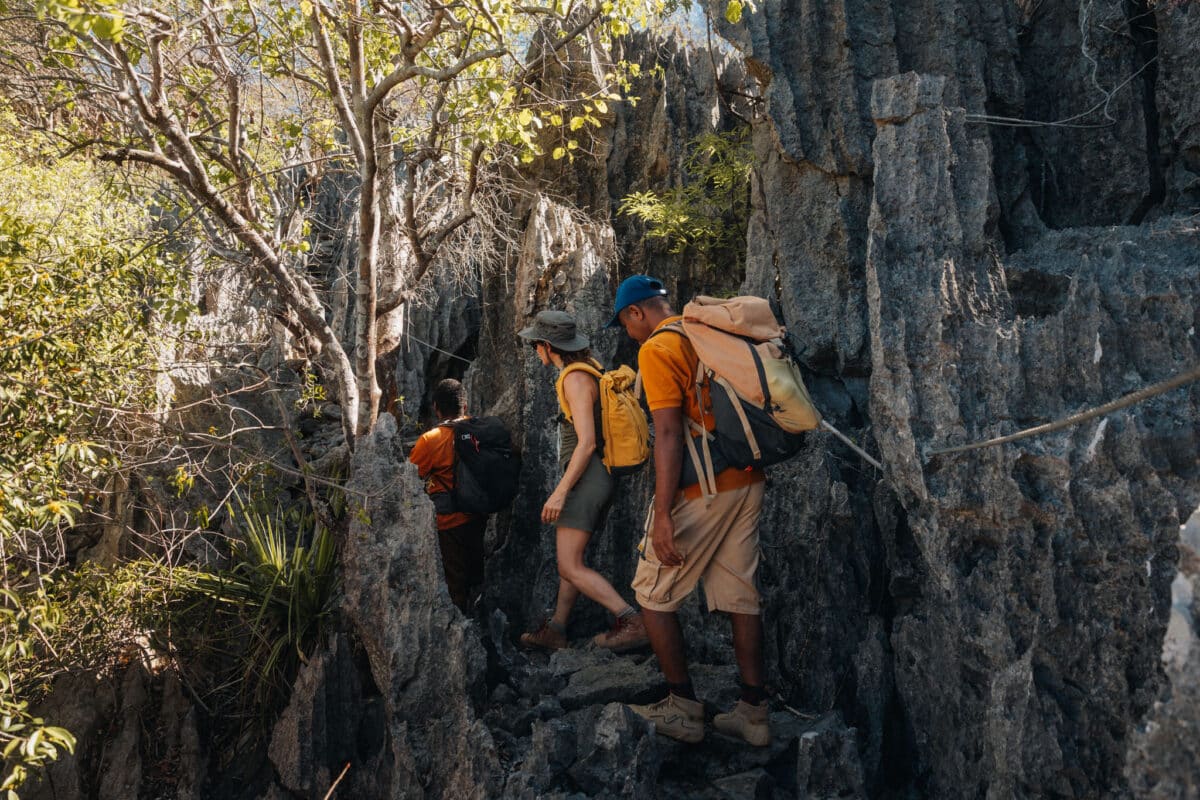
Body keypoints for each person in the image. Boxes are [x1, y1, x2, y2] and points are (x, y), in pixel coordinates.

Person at [609, 275, 771, 746]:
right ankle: (753, 714)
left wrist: (663, 514)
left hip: (704, 489)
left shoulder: (658, 349)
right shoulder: (706, 333)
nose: (628, 333)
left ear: (637, 312)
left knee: (652, 593)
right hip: (748, 480)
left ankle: (681, 707)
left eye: (625, 322)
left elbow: (668, 434)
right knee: (741, 596)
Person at [516, 309, 649, 652]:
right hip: (596, 476)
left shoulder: (574, 379)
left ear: (548, 346)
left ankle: (632, 621)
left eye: (536, 345)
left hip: (588, 478)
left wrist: (560, 493)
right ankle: (557, 629)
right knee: (570, 560)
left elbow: (588, 442)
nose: (535, 351)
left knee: (569, 564)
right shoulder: (589, 368)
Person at [408, 378, 486, 613]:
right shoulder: (482, 429)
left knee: (454, 580)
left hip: (449, 522)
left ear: (436, 408)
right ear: (465, 405)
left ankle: (461, 628)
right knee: (476, 570)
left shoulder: (429, 441)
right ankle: (481, 613)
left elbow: (410, 477)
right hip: (480, 513)